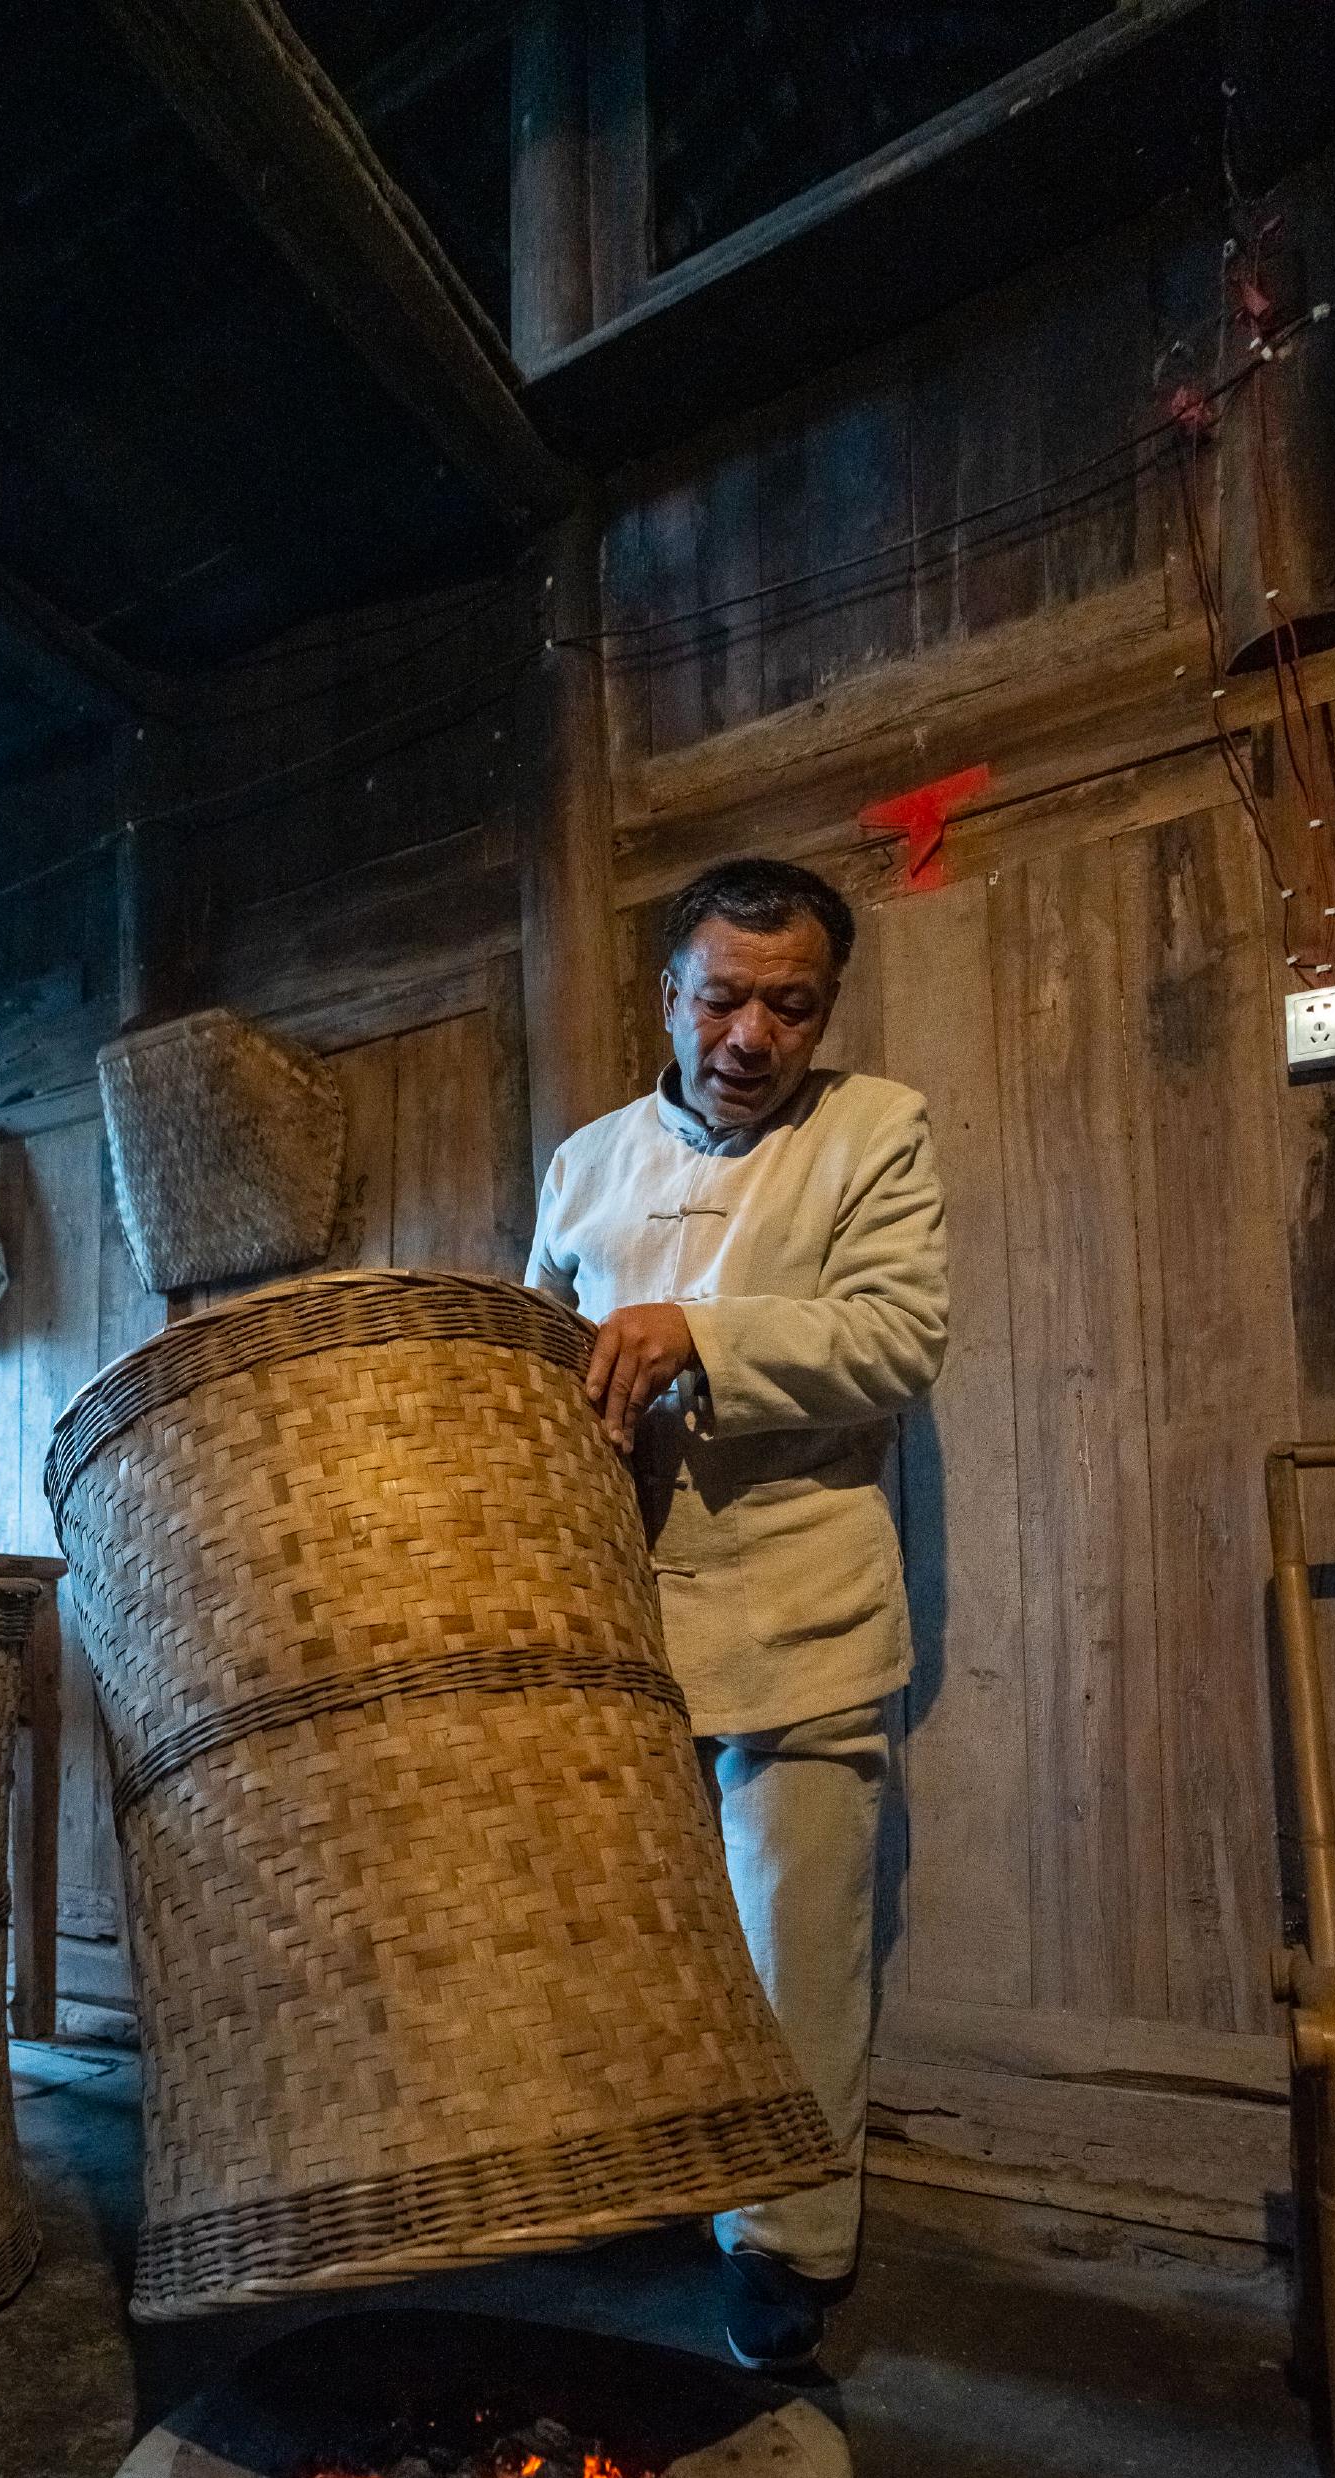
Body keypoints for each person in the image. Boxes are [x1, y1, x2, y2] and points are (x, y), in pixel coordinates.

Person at [527, 856, 948, 2370]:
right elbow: (534, 1363)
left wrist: (695, 1336)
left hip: (801, 1609)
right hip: (619, 1621)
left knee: (796, 1947)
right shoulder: (584, 1166)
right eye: (723, 997)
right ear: (669, 995)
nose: (753, 1036)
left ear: (825, 1011)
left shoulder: (872, 1132)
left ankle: (789, 2255)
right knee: (638, 1939)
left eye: (792, 1005)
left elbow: (899, 1337)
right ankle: (643, 2196)